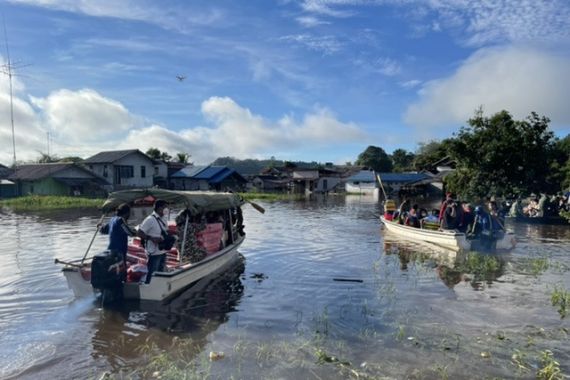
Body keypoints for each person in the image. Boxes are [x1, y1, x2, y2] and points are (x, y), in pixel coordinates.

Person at [99, 203, 136, 279]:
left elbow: (102, 230)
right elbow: (130, 233)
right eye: (129, 213)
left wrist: (99, 226)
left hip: (111, 250)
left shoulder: (112, 219)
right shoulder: (120, 220)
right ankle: (123, 286)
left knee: (115, 270)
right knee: (122, 271)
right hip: (119, 252)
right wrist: (138, 232)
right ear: (127, 213)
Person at [138, 199, 170, 284]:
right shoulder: (150, 219)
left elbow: (165, 231)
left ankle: (159, 288)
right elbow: (140, 233)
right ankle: (148, 288)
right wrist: (151, 238)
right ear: (160, 208)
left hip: (162, 250)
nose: (167, 209)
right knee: (152, 273)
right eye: (165, 207)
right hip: (154, 252)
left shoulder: (164, 218)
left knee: (161, 273)